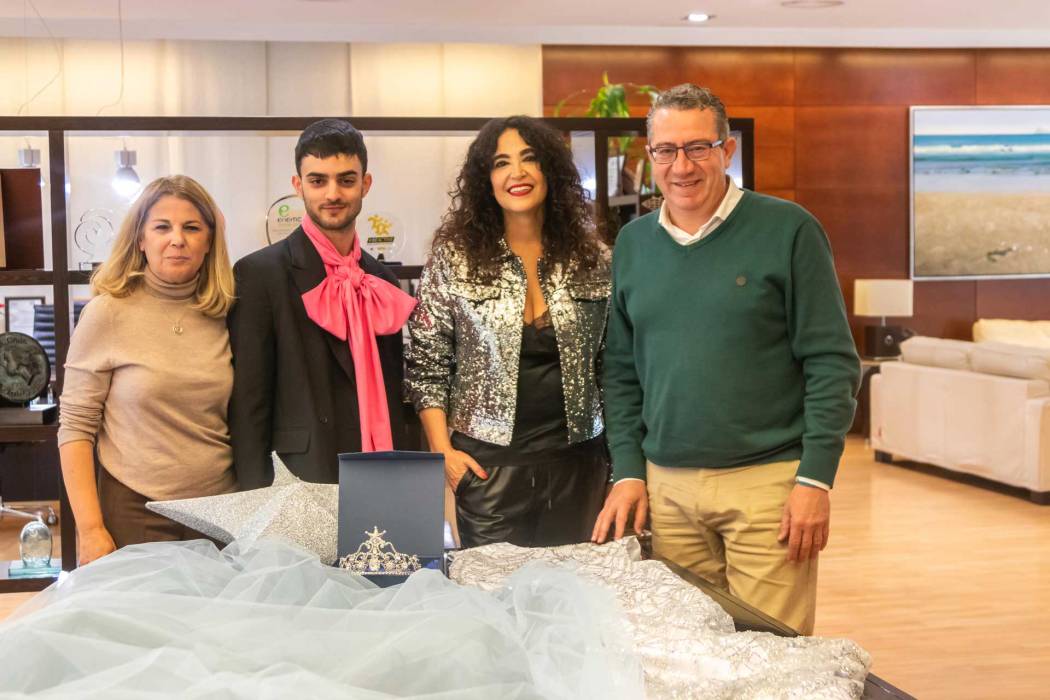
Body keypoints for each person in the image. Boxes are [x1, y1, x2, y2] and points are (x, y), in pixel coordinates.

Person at [592, 84, 860, 635]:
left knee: (773, 656)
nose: (681, 166)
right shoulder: (633, 244)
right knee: (690, 654)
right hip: (667, 490)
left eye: (698, 147)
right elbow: (620, 372)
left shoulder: (789, 230)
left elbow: (831, 361)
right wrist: (628, 471)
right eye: (666, 150)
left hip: (768, 488)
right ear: (650, 154)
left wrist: (815, 479)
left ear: (727, 149)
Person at [406, 115, 610, 548]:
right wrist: (443, 452)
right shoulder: (454, 259)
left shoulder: (594, 260)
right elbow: (426, 364)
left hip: (578, 466)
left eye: (529, 158)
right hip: (486, 471)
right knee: (492, 589)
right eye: (501, 163)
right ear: (486, 179)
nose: (517, 172)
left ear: (550, 170)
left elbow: (612, 364)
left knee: (574, 588)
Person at [58, 175, 236, 564]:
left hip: (220, 512)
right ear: (140, 239)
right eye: (162, 227)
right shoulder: (107, 313)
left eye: (192, 228)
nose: (177, 239)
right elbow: (75, 428)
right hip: (135, 511)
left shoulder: (226, 312)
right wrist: (90, 530)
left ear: (209, 241)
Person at [229, 119, 416, 489]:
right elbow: (249, 404)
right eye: (318, 181)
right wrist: (254, 499)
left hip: (379, 472)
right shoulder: (259, 274)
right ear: (298, 186)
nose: (333, 193)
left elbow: (392, 390)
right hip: (296, 477)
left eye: (346, 180)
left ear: (365, 184)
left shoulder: (383, 280)